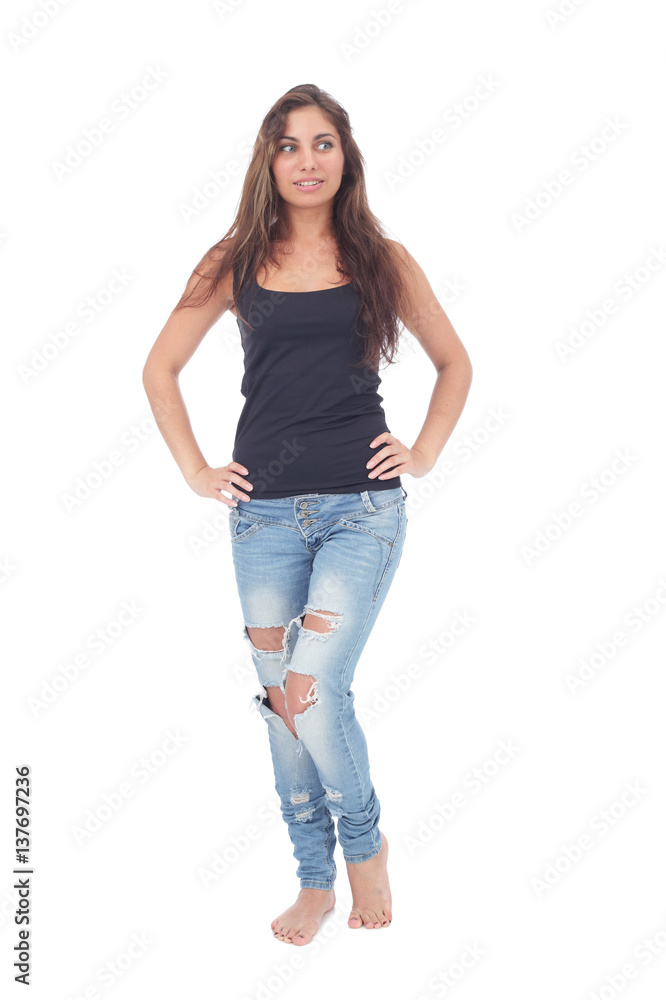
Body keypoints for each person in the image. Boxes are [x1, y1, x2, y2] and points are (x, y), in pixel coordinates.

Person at [142, 83, 473, 946]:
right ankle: (313, 880)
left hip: (361, 509)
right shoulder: (233, 259)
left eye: (322, 143)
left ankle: (365, 850)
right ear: (269, 160)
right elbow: (159, 368)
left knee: (313, 690)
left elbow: (455, 363)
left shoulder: (382, 259)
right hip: (262, 519)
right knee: (282, 705)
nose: (307, 160)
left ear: (345, 155)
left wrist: (424, 451)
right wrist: (195, 470)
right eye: (289, 145)